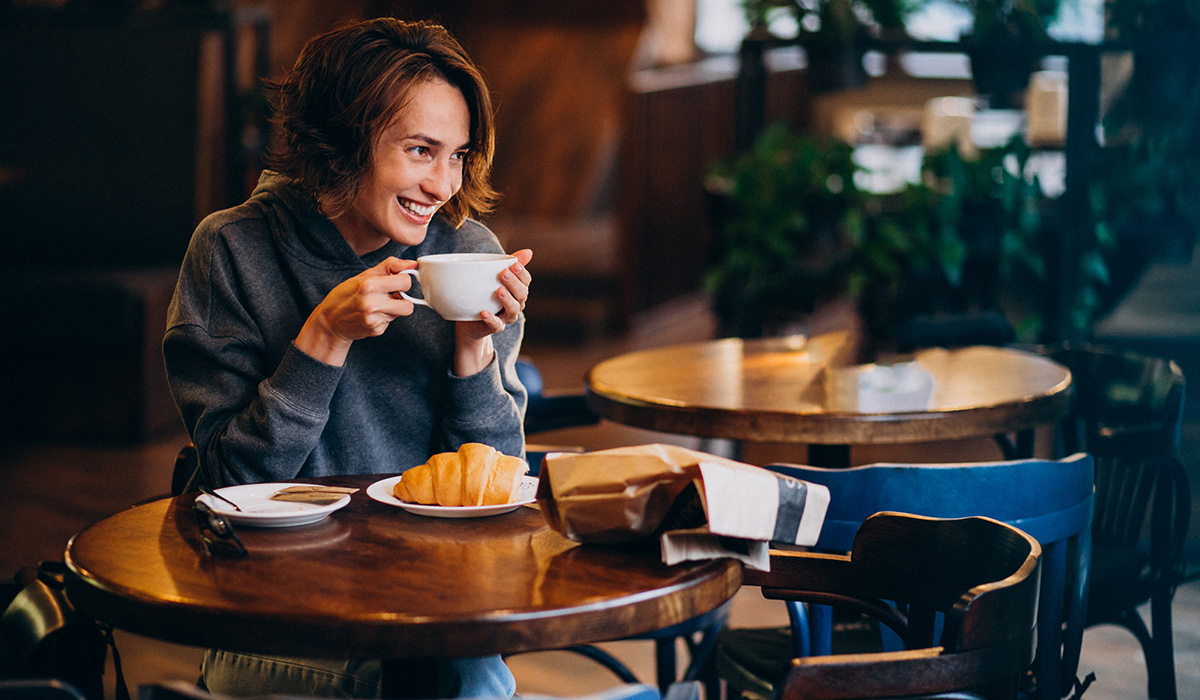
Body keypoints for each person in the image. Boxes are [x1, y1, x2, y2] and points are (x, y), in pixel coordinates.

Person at [162, 17, 530, 698]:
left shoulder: (468, 255)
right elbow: (225, 486)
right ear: (341, 142)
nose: (444, 184)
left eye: (457, 155)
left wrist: (473, 351)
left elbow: (495, 482)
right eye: (421, 150)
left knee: (463, 671)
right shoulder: (234, 251)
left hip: (435, 608)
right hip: (275, 613)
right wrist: (322, 340)